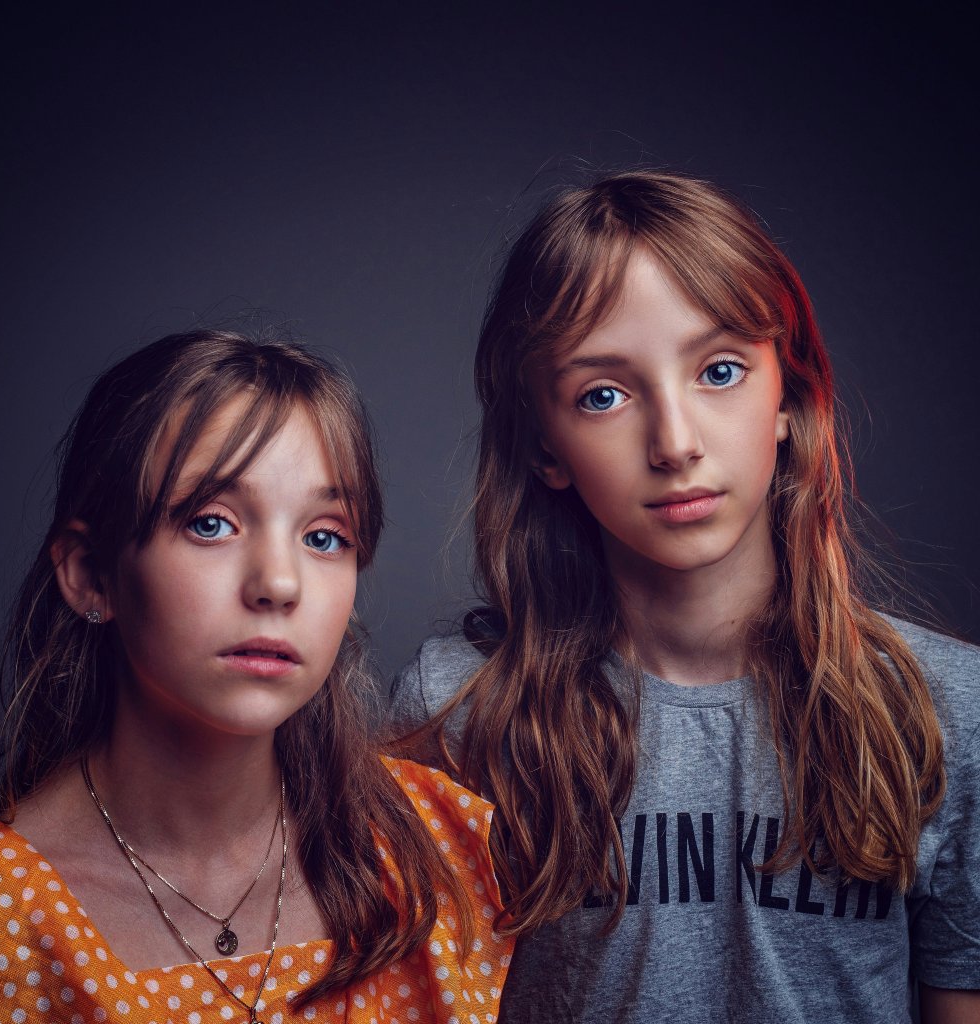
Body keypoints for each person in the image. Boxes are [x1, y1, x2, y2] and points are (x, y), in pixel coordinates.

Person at [390, 171, 980, 1023]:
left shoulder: (947, 711)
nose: (675, 442)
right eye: (604, 395)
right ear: (545, 448)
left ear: (792, 399)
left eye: (720, 370)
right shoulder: (459, 710)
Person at [0, 329, 511, 1024]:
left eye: (323, 536)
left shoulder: (446, 852)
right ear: (90, 574)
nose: (279, 583)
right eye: (211, 523)